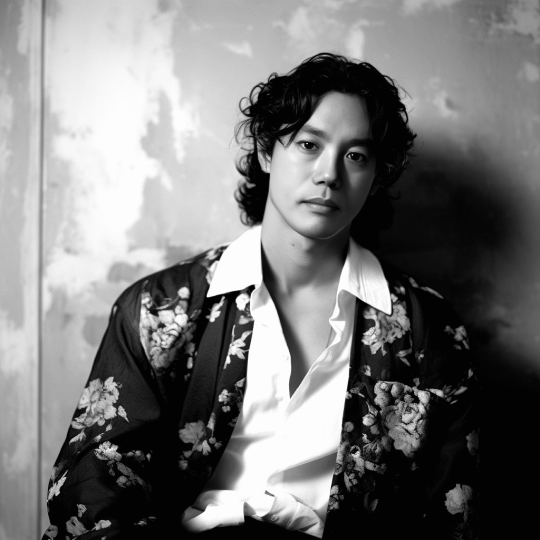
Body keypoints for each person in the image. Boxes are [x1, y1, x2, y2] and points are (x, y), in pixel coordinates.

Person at [43, 53, 479, 540]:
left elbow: (452, 512)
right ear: (268, 152)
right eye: (309, 144)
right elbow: (94, 489)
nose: (329, 174)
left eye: (356, 155)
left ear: (376, 175)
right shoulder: (159, 309)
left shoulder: (429, 329)